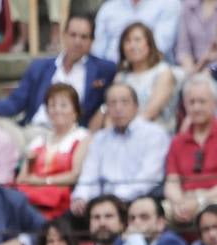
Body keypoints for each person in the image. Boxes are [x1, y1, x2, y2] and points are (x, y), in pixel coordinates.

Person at [0, 13, 117, 134]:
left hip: (74, 136)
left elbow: (116, 96)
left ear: (92, 41)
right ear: (64, 35)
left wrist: (103, 110)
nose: (77, 41)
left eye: (84, 37)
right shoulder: (40, 67)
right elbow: (15, 103)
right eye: (73, 35)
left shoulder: (104, 69)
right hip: (36, 130)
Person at [163, 73, 217, 230]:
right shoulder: (178, 141)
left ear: (215, 104)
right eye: (191, 102)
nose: (196, 107)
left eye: (202, 102)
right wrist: (180, 202)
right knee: (153, 211)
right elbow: (171, 182)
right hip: (185, 200)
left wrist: (200, 200)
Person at [70, 83, 171, 213]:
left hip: (138, 201)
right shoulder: (100, 138)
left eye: (124, 102)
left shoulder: (154, 134)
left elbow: (148, 178)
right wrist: (81, 197)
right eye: (112, 103)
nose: (118, 108)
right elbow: (89, 175)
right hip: (101, 204)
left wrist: (112, 201)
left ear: (136, 106)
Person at [15, 84, 91, 220]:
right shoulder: (39, 141)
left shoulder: (82, 137)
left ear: (75, 111)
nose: (57, 110)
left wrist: (43, 181)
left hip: (61, 201)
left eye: (63, 105)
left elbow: (75, 175)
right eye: (52, 105)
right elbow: (22, 177)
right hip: (32, 198)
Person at [112, 21, 179, 129]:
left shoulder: (163, 72)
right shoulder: (120, 78)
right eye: (127, 41)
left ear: (149, 44)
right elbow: (113, 111)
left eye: (137, 40)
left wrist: (127, 132)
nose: (132, 46)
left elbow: (151, 112)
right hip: (122, 135)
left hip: (155, 135)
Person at [95, 0, 180, 63]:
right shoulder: (108, 7)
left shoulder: (169, 3)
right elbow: (97, 50)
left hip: (151, 69)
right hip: (109, 71)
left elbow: (160, 47)